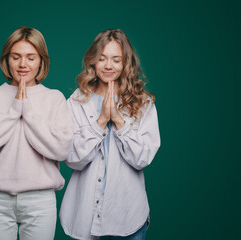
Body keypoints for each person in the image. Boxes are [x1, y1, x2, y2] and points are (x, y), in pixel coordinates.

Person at [0, 26, 73, 240]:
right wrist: (15, 109)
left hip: (40, 199)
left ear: (42, 61)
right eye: (16, 57)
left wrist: (28, 111)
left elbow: (62, 150)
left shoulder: (54, 98)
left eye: (31, 58)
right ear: (6, 60)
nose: (23, 64)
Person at [59, 29, 161, 240]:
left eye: (116, 60)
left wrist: (119, 121)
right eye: (102, 58)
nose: (108, 66)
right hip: (84, 215)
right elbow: (72, 159)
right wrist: (101, 121)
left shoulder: (144, 103)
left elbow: (142, 158)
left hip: (128, 216)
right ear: (92, 62)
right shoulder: (77, 100)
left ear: (126, 64)